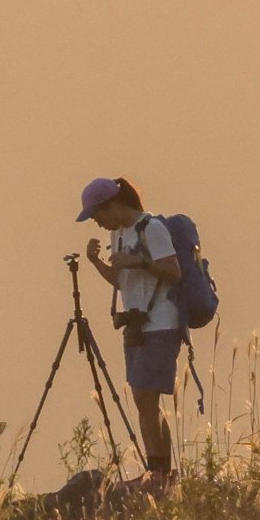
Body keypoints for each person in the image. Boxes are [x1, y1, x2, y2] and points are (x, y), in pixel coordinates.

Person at [76, 175, 188, 484]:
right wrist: (97, 262)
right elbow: (120, 281)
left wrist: (137, 261)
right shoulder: (120, 234)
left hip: (161, 323)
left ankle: (158, 473)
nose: (97, 223)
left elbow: (173, 271)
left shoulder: (151, 228)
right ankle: (163, 472)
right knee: (146, 401)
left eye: (97, 215)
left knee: (143, 398)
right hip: (136, 324)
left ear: (111, 205)